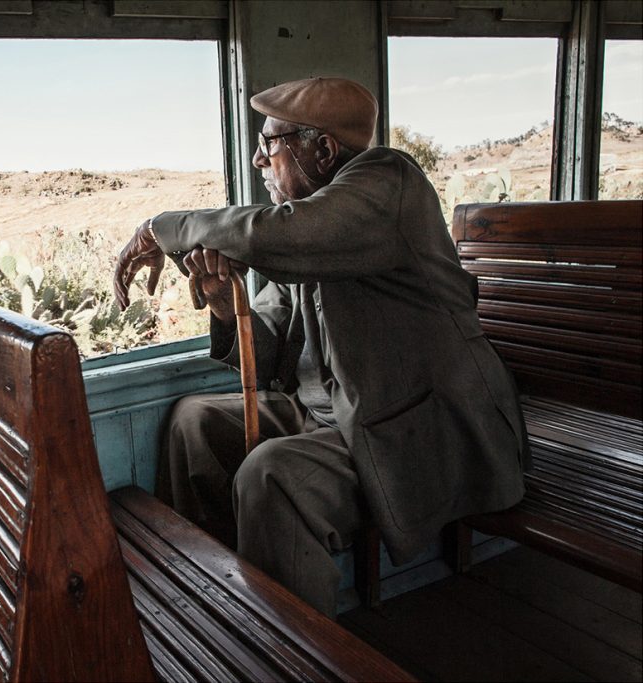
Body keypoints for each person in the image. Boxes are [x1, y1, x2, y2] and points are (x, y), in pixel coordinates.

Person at [112, 76, 529, 618]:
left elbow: (282, 235)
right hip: (333, 417)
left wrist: (160, 227)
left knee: (272, 476)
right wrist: (221, 305)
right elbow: (265, 356)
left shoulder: (388, 183)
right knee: (194, 422)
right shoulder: (304, 231)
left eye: (270, 144)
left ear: (324, 150)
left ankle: (297, 654)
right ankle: (214, 606)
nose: (260, 161)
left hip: (421, 425)